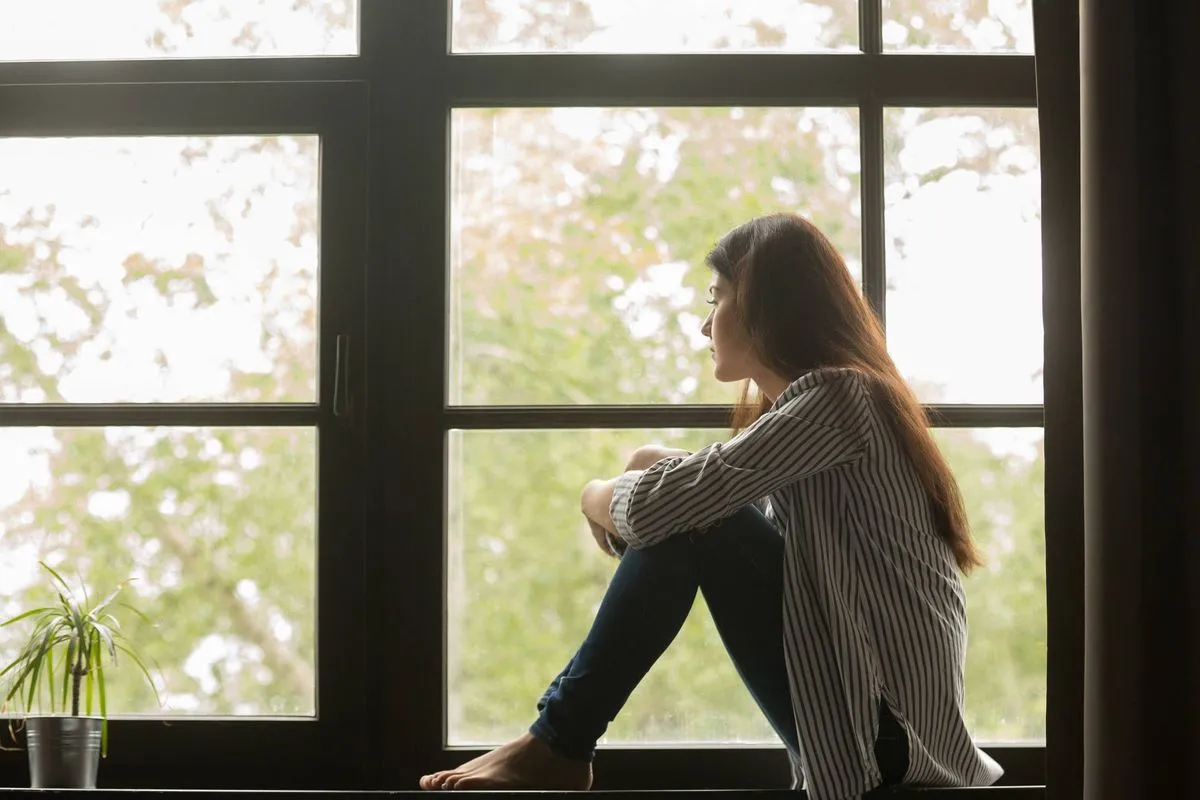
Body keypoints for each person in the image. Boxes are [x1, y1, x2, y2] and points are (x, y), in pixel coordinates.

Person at [419, 212, 1003, 798]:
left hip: (888, 742)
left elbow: (668, 509)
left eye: (716, 298)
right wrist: (652, 460)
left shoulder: (841, 397)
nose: (704, 326)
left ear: (766, 306)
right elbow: (713, 488)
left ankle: (558, 743)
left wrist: (592, 495)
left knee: (696, 520)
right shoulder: (831, 413)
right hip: (878, 734)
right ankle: (556, 744)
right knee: (694, 508)